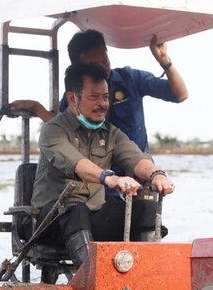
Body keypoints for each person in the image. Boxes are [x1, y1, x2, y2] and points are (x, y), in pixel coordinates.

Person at [31, 62, 175, 268]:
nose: (102, 104)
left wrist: (156, 174)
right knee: (75, 210)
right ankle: (93, 282)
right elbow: (76, 163)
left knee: (145, 207)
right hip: (51, 222)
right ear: (73, 98)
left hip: (92, 217)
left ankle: (144, 276)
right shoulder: (53, 131)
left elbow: (135, 157)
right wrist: (110, 178)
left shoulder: (111, 133)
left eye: (106, 97)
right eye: (94, 97)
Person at [12, 29, 187, 196]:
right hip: (98, 178)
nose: (103, 69)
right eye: (94, 97)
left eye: (105, 61)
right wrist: (38, 109)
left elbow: (180, 94)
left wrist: (165, 61)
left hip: (137, 175)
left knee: (147, 218)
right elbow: (60, 133)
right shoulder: (73, 98)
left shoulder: (129, 79)